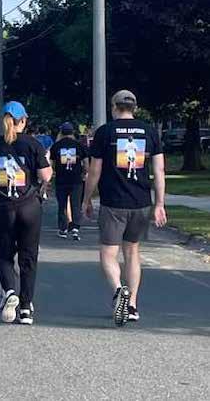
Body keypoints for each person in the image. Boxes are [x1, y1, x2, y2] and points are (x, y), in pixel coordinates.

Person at [82, 90, 167, 326]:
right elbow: (159, 170)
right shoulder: (149, 131)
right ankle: (132, 306)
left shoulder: (105, 132)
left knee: (108, 254)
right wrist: (160, 204)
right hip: (141, 202)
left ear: (114, 107)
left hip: (113, 202)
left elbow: (94, 171)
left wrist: (86, 199)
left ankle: (119, 290)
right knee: (132, 252)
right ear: (135, 108)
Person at [0, 102, 52, 325]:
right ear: (23, 121)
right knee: (28, 258)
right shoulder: (33, 144)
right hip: (29, 206)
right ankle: (26, 307)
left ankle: (9, 291)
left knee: (3, 256)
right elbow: (45, 176)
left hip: (2, 206)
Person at [50, 122, 89, 241]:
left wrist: (53, 174)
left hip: (61, 179)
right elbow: (86, 162)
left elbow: (51, 163)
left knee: (62, 205)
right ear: (73, 132)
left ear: (61, 132)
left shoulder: (56, 146)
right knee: (76, 204)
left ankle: (63, 229)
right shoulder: (79, 145)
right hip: (76, 180)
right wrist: (85, 173)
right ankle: (75, 228)